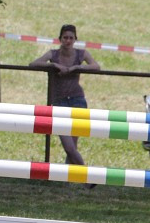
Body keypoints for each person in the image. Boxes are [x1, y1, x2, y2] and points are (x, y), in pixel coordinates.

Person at [29, 24, 100, 167]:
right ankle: (86, 176)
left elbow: (96, 66)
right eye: (65, 38)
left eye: (71, 38)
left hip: (77, 100)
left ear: (75, 39)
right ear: (60, 39)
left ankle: (67, 180)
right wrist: (54, 66)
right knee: (68, 147)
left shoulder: (81, 54)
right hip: (59, 101)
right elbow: (33, 64)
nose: (68, 41)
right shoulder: (53, 54)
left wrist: (77, 67)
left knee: (73, 146)